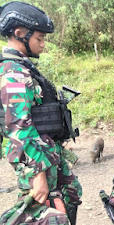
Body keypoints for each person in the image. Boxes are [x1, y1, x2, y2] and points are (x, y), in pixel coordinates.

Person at [0, 2, 82, 224]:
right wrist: (38, 175)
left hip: (49, 152)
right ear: (19, 34)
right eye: (39, 39)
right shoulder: (13, 74)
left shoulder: (25, 68)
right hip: (35, 158)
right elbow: (18, 127)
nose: (43, 45)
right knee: (42, 212)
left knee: (71, 194)